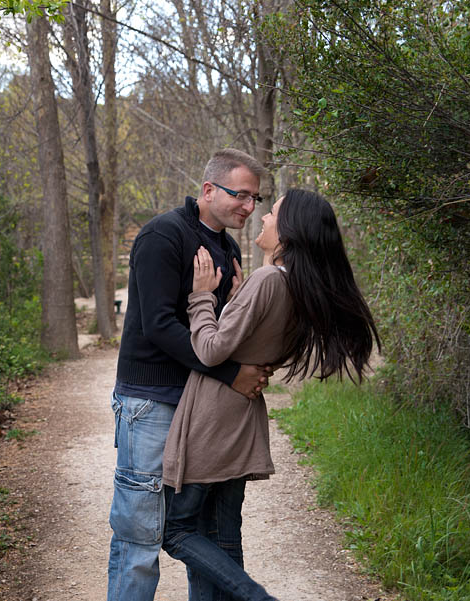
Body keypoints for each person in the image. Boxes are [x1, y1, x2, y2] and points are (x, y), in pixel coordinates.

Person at [160, 189, 381, 600]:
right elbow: (256, 340)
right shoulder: (297, 286)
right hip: (242, 417)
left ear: (290, 230)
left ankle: (258, 597)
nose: (261, 217)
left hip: (213, 417)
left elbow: (209, 350)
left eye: (272, 212)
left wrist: (201, 297)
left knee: (177, 531)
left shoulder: (266, 281)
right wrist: (237, 299)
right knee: (223, 539)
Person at [107, 149, 274, 601]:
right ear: (208, 190)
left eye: (255, 199)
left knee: (200, 532)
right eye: (241, 195)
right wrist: (231, 375)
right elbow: (160, 325)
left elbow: (213, 332)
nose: (249, 207)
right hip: (152, 403)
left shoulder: (226, 246)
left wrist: (235, 305)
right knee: (140, 536)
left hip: (199, 409)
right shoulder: (163, 235)